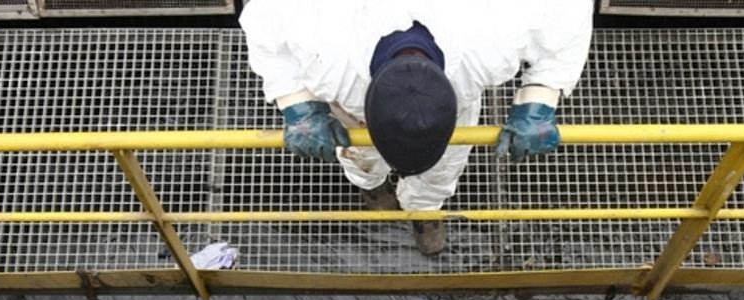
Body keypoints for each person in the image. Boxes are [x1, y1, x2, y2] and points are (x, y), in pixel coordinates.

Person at [240, 1, 594, 255]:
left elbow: (570, 12)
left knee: (443, 170)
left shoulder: (492, 34)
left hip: (454, 113)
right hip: (350, 110)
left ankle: (424, 212)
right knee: (358, 153)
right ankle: (373, 189)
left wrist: (539, 98)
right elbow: (260, 26)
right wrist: (298, 103)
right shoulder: (321, 38)